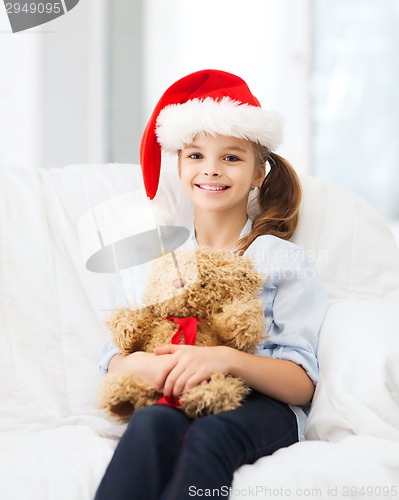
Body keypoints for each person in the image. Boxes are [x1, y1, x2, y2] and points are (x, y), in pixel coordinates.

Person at [95, 69, 328, 500]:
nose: (212, 170)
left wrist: (224, 358)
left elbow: (302, 383)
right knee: (149, 424)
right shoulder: (160, 258)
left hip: (263, 406)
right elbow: (114, 356)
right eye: (196, 156)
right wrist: (144, 366)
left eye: (232, 157)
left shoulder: (281, 260)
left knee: (208, 438)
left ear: (259, 172)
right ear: (180, 165)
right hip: (180, 396)